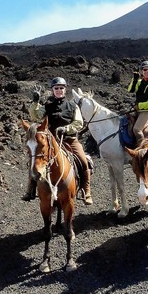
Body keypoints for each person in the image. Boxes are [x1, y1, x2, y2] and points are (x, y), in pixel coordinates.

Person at [25, 77, 93, 205]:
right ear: (52, 90)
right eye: (56, 88)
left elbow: (79, 123)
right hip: (51, 141)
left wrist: (66, 128)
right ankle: (30, 189)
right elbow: (35, 116)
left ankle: (86, 191)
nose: (59, 90)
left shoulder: (73, 105)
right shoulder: (47, 105)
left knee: (83, 161)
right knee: (34, 161)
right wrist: (35, 102)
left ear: (65, 89)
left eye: (61, 88)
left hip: (70, 140)